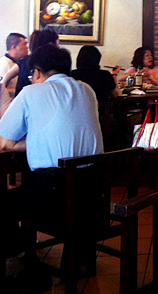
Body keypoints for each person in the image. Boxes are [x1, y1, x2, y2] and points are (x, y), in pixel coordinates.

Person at [0, 45, 103, 258]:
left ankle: (20, 256)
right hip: (92, 191)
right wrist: (35, 141)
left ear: (37, 72)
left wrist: (24, 143)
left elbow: (4, 143)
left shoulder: (32, 92)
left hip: (54, 193)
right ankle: (35, 254)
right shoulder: (87, 90)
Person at [5, 29, 59, 96]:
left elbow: (5, 80)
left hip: (21, 100)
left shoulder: (23, 61)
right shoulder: (54, 64)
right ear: (51, 45)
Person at [0, 32, 28, 97]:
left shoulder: (18, 63)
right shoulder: (5, 64)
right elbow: (1, 88)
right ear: (14, 47)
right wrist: (20, 91)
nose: (27, 47)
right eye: (24, 44)